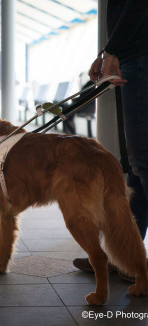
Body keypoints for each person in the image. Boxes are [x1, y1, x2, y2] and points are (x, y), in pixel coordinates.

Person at [73, 0, 148, 281]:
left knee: (142, 161)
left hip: (139, 55)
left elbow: (138, 7)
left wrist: (112, 51)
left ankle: (131, 259)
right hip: (132, 54)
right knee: (135, 166)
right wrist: (106, 52)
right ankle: (127, 255)